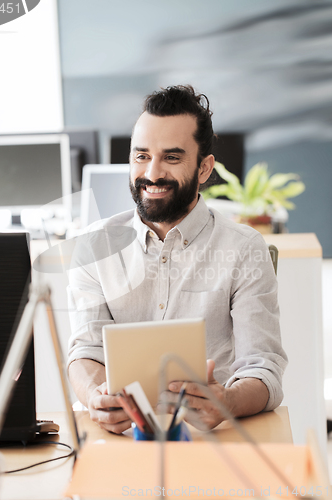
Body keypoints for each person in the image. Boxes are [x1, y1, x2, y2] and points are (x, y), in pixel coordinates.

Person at [67, 85, 287, 434]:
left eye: (171, 157)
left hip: (213, 438)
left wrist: (227, 401)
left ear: (204, 168)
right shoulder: (95, 246)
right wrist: (95, 396)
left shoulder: (244, 247)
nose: (152, 173)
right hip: (121, 440)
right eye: (141, 156)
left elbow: (264, 369)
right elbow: (86, 350)